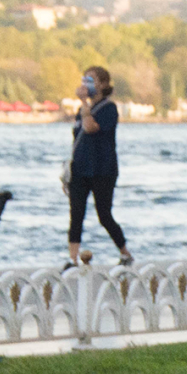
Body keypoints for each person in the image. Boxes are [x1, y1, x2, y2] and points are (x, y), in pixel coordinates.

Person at [67, 65, 129, 265]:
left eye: (91, 81)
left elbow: (91, 127)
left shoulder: (108, 109)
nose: (86, 85)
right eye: (84, 80)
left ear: (103, 84)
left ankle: (124, 251)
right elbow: (78, 136)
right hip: (80, 169)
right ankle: (73, 258)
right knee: (76, 213)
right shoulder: (82, 111)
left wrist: (84, 102)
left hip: (102, 169)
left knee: (104, 214)